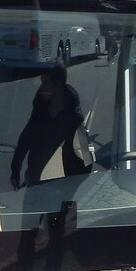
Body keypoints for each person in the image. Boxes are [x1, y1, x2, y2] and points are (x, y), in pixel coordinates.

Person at [10, 61, 90, 190]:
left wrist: (73, 186)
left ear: (58, 85)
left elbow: (86, 157)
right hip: (35, 178)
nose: (41, 87)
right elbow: (25, 138)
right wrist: (15, 171)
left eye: (45, 83)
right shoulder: (40, 107)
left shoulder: (74, 116)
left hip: (61, 185)